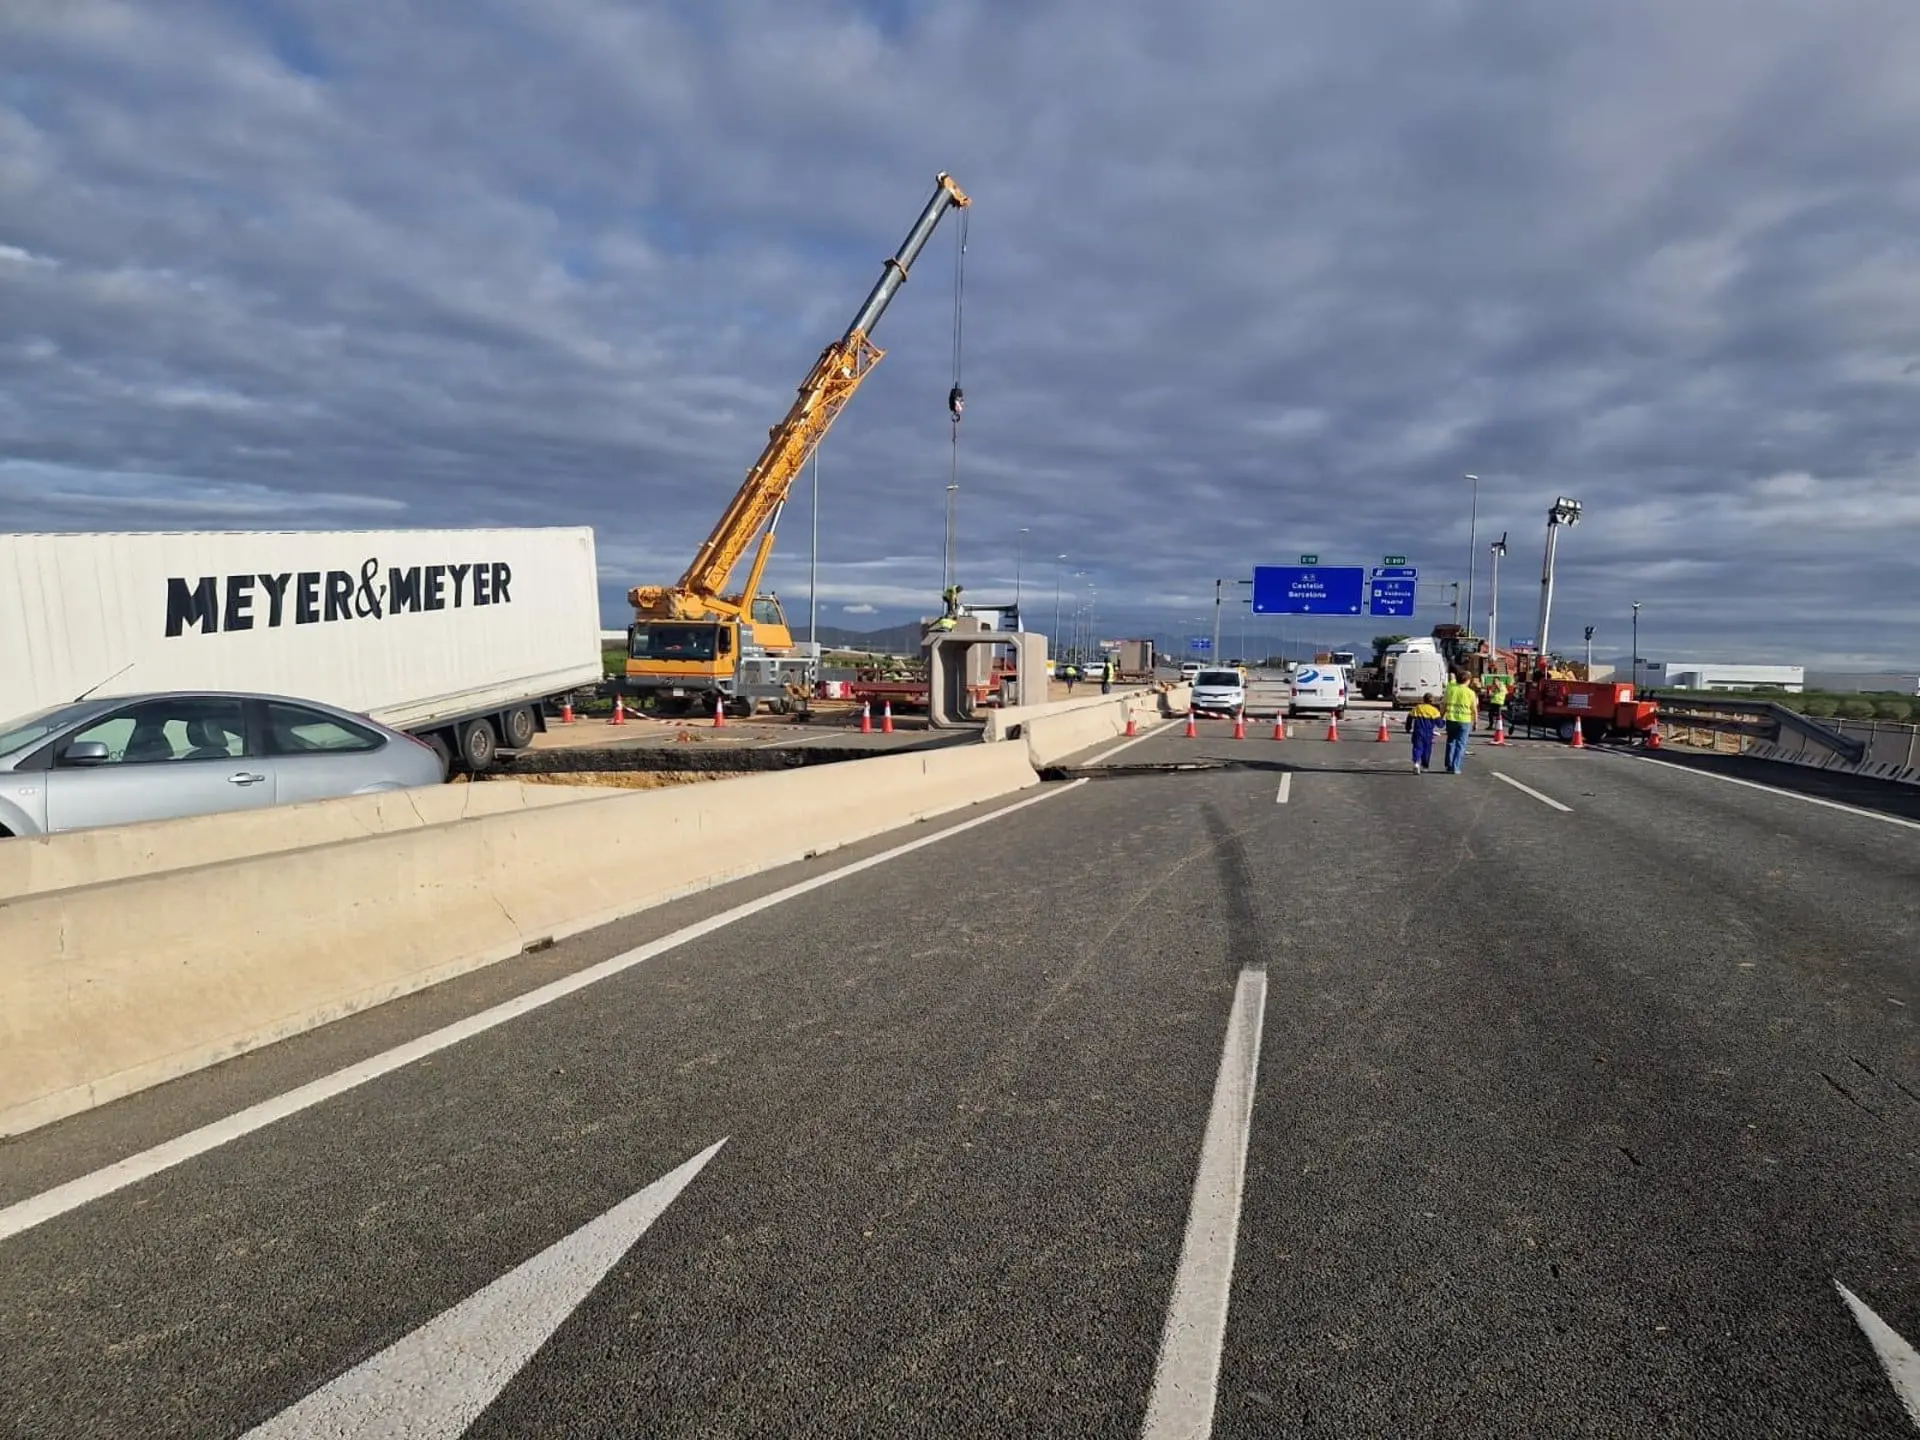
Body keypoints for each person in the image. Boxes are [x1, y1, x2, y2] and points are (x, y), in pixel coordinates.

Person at [1442, 668, 1478, 773]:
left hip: (1451, 719)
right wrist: (1475, 722)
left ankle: (1448, 764)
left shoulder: (1450, 690)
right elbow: (1474, 709)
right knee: (1461, 744)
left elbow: (1444, 704)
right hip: (1464, 721)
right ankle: (1456, 767)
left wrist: (1441, 716)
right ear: (1467, 680)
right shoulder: (1470, 693)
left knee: (1450, 742)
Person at [1405, 692, 1442, 773]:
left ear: (1423, 699)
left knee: (1417, 747)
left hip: (1418, 731)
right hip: (1428, 733)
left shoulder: (1418, 708)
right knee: (1427, 749)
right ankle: (1425, 766)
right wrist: (1444, 723)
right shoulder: (1434, 710)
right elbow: (1439, 723)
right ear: (1432, 701)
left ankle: (1416, 762)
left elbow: (1409, 717)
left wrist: (1408, 728)